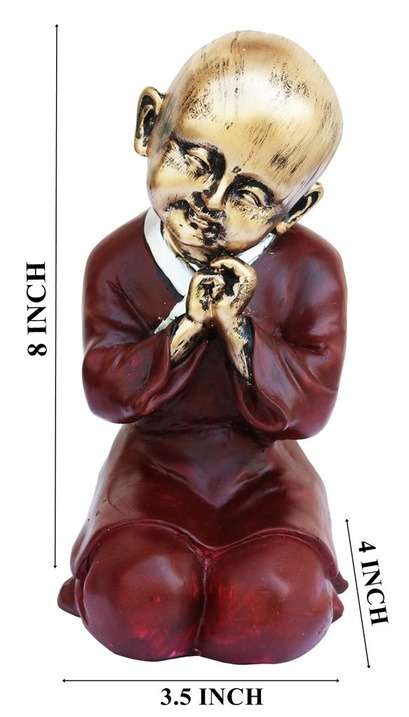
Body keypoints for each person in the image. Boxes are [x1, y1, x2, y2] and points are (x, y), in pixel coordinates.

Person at [59, 31, 348, 664]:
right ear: (149, 127)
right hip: (153, 466)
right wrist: (187, 326)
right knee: (137, 594)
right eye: (196, 161)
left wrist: (238, 328)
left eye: (249, 197)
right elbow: (106, 392)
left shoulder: (312, 271)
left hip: (263, 473)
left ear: (294, 209)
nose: (210, 204)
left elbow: (309, 411)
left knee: (278, 601)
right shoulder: (116, 262)